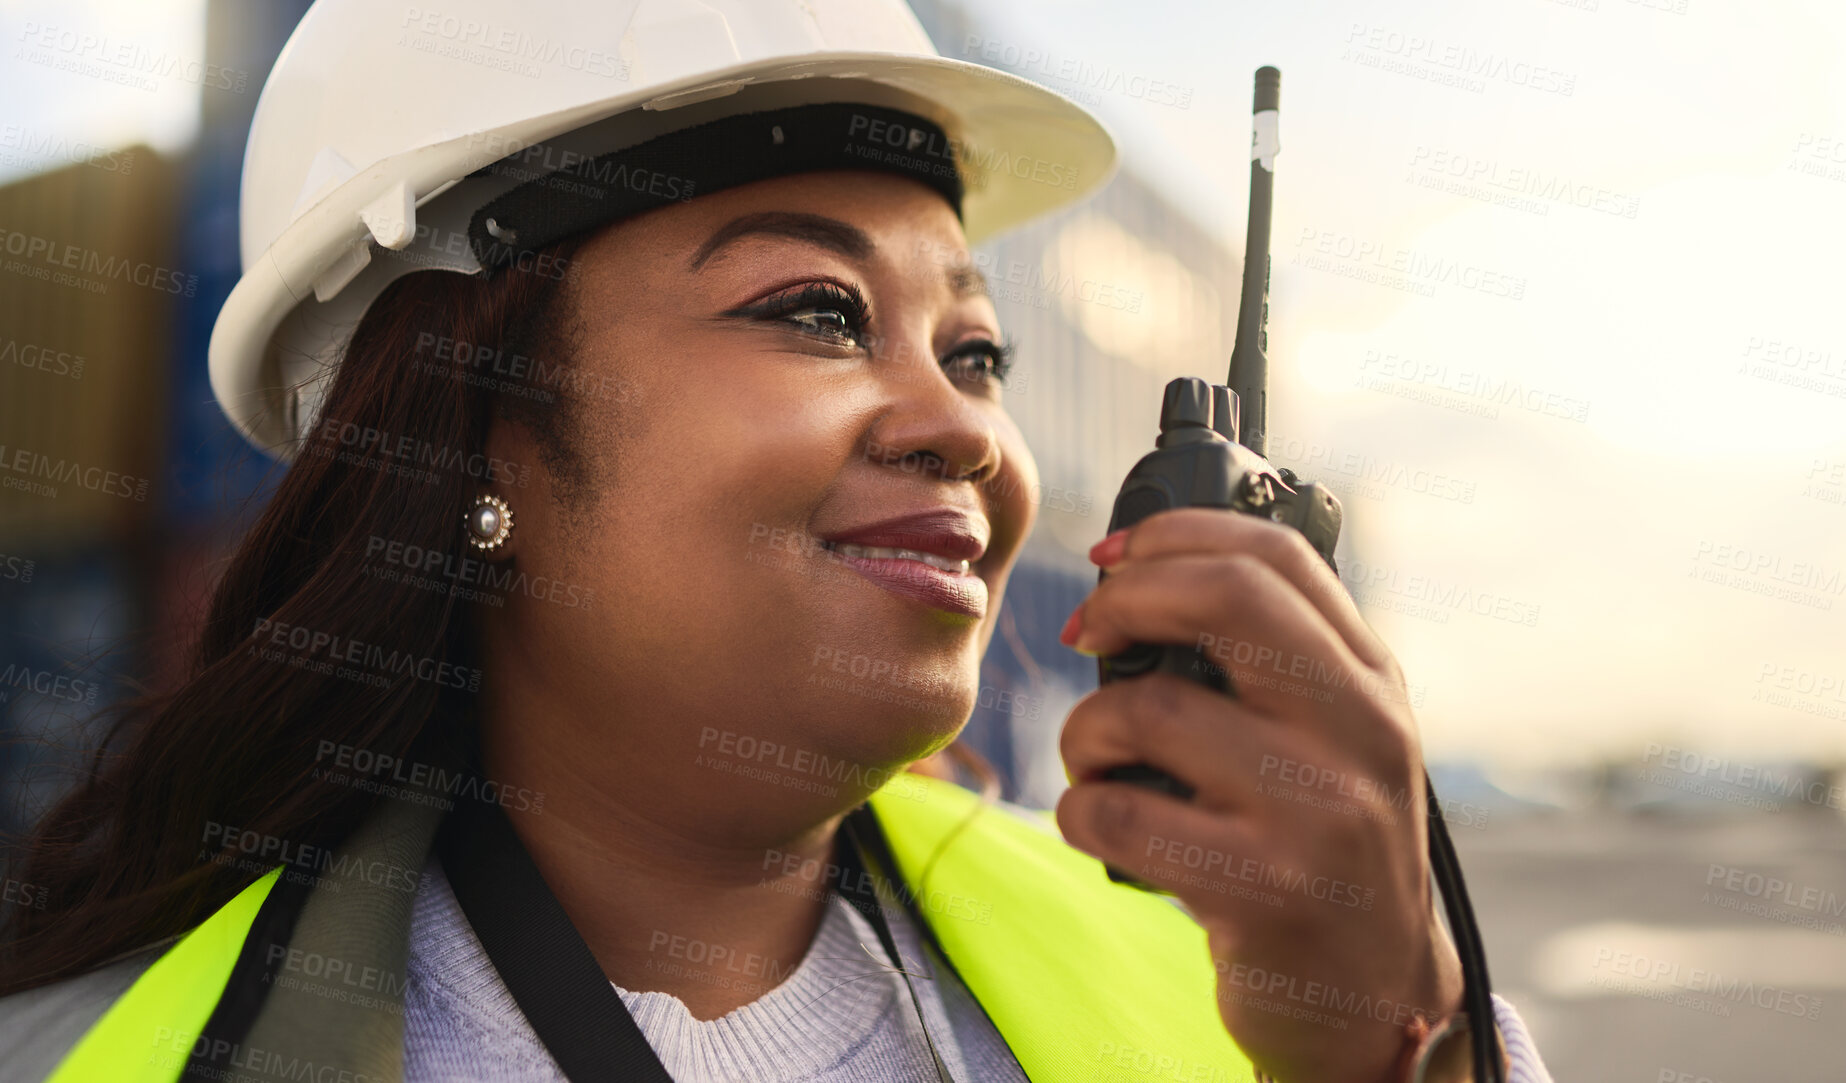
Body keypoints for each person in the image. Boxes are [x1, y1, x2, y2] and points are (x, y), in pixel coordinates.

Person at [0, 2, 1556, 1081]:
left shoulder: (1231, 979)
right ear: (467, 440)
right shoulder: (85, 1054)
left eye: (977, 350)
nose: (962, 427)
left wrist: (1403, 1043)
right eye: (813, 312)